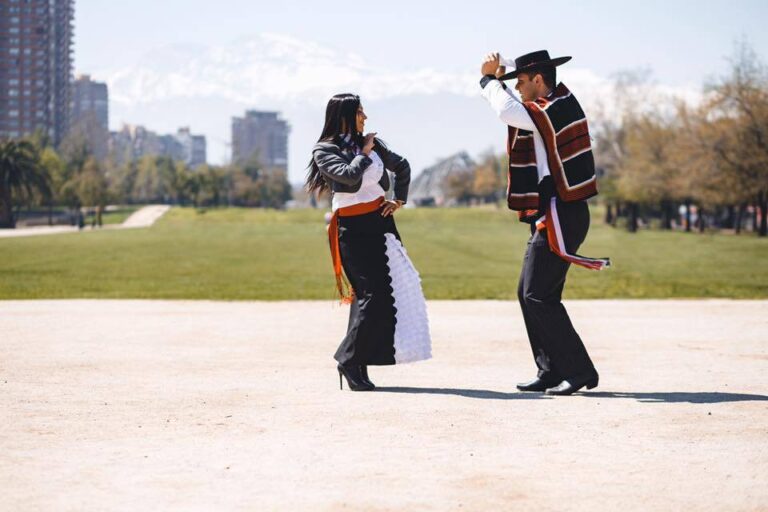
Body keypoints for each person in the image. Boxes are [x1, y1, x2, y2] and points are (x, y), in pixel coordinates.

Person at [479, 50, 610, 396]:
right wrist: (499, 83)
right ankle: (550, 369)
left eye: (520, 81)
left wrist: (488, 80)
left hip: (562, 212)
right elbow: (517, 113)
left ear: (539, 79)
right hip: (553, 211)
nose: (518, 88)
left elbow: (508, 112)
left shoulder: (555, 107)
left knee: (538, 294)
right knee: (529, 293)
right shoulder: (544, 110)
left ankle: (579, 371)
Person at [308, 93, 431, 391]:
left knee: (384, 294)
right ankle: (349, 359)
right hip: (351, 228)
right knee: (370, 295)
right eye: (360, 112)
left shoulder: (374, 143)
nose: (365, 118)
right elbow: (349, 178)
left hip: (380, 223)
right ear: (345, 116)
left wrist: (399, 199)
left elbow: (401, 166)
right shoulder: (324, 150)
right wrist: (364, 152)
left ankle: (358, 362)